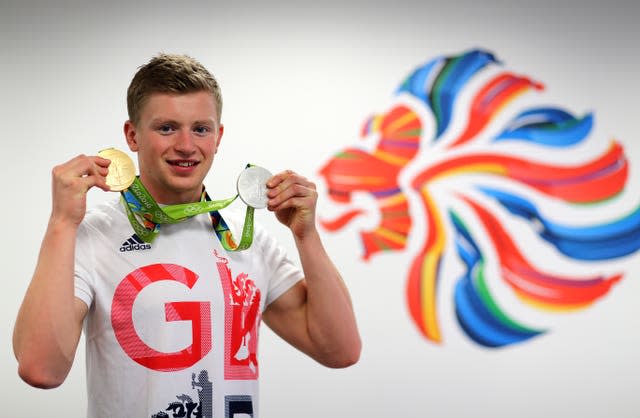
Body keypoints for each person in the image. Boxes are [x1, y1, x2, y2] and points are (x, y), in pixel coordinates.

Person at [13, 53, 361, 417]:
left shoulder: (248, 239)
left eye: (200, 128)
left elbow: (340, 350)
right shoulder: (92, 235)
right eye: (166, 128)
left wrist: (307, 236)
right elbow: (41, 369)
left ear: (218, 136)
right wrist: (61, 223)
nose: (185, 145)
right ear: (132, 136)